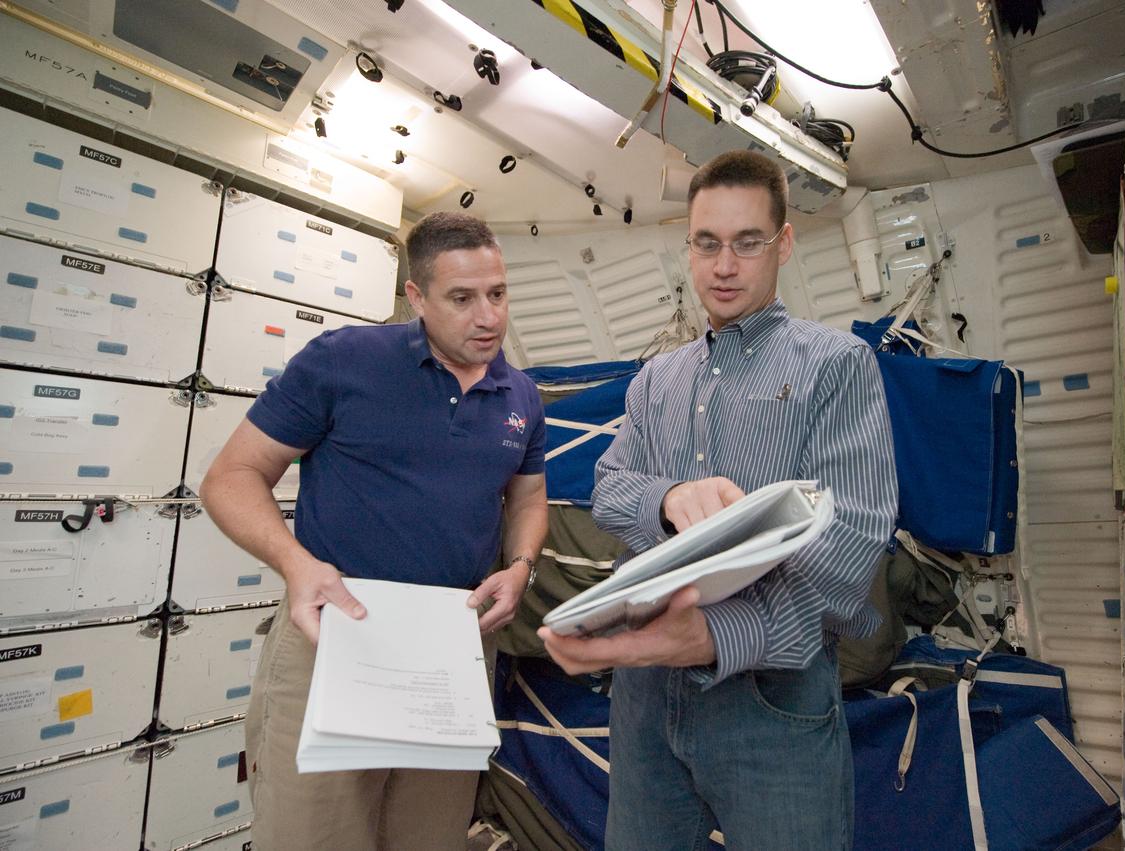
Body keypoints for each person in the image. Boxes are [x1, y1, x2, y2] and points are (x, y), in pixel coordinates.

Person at [539, 150, 897, 850]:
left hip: (773, 702)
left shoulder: (835, 365)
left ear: (784, 244)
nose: (724, 265)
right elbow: (609, 489)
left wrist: (712, 637)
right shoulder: (656, 381)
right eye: (707, 244)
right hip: (646, 704)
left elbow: (851, 543)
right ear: (690, 249)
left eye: (746, 243)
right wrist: (671, 496)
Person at [202, 212, 548, 851]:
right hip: (335, 635)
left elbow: (527, 499)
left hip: (451, 650)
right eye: (463, 298)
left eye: (497, 294)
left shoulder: (521, 394)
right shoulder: (342, 361)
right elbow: (230, 478)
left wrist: (521, 565)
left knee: (428, 836)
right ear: (416, 298)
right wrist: (297, 564)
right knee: (314, 834)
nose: (489, 317)